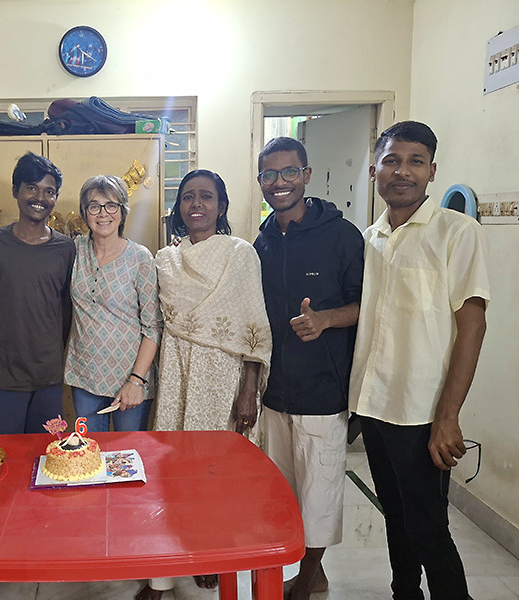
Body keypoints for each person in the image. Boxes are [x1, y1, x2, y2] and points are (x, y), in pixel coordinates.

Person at [349, 121, 489, 599]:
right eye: (391, 161)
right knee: (396, 516)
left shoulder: (456, 232)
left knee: (428, 527)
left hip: (421, 411)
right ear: (375, 171)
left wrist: (448, 416)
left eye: (415, 161)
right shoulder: (371, 237)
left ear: (432, 171)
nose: (402, 171)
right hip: (374, 404)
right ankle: (404, 592)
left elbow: (472, 326)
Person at [137, 169, 272, 600]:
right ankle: (161, 574)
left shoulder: (241, 254)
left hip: (222, 381)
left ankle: (213, 556)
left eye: (206, 197)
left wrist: (249, 392)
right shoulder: (165, 259)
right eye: (188, 197)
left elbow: (254, 327)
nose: (196, 204)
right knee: (171, 474)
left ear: (222, 205)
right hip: (177, 378)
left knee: (217, 476)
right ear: (178, 207)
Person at [253, 137, 364, 600]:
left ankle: (308, 578)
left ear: (307, 175)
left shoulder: (342, 236)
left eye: (289, 172)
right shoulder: (261, 241)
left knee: (320, 491)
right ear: (260, 181)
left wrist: (326, 320)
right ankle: (306, 573)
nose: (279, 182)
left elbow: (368, 305)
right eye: (269, 174)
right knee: (283, 491)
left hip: (323, 389)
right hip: (275, 390)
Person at [0, 152, 76, 434]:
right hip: (2, 376)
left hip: (48, 377)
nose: (40, 197)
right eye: (31, 187)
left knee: (48, 451)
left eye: (49, 191)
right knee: (4, 451)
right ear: (16, 191)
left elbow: (67, 309)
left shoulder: (66, 249)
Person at [64, 175, 162, 431]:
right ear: (85, 213)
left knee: (128, 452)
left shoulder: (140, 258)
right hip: (84, 377)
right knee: (90, 450)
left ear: (122, 211)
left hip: (130, 380)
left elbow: (153, 327)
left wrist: (136, 380)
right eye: (94, 206)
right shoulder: (74, 250)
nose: (103, 213)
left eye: (111, 205)